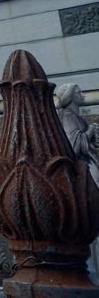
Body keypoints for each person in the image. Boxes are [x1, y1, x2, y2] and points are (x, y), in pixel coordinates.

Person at [55, 82, 99, 283]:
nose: (83, 94)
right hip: (84, 169)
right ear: (71, 97)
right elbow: (73, 146)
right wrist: (89, 132)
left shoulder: (74, 117)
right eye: (79, 91)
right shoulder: (68, 117)